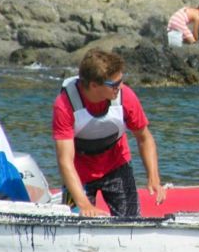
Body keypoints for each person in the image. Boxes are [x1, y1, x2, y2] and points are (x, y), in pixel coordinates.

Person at [52, 49, 166, 217]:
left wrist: (153, 177)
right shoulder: (64, 105)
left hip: (117, 165)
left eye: (121, 80)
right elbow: (65, 161)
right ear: (94, 85)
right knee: (76, 221)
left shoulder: (126, 97)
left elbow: (144, 138)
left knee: (131, 222)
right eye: (114, 84)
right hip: (78, 172)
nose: (120, 87)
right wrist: (84, 204)